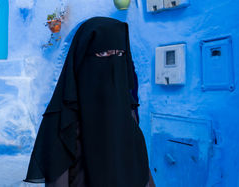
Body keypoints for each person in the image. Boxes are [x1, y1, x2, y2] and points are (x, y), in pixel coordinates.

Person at [24, 17, 155, 186]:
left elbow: (139, 169)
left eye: (119, 54)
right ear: (81, 60)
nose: (112, 64)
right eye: (103, 54)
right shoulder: (64, 120)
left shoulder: (127, 112)